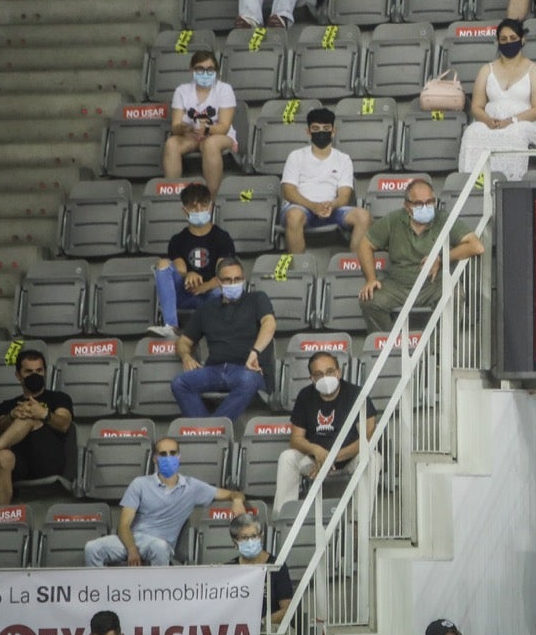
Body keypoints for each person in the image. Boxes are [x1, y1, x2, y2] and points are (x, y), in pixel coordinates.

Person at [84, 437, 246, 566]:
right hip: (132, 540)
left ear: (179, 457)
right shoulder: (139, 484)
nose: (168, 457)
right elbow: (124, 525)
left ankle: (157, 596)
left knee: (159, 547)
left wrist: (237, 501)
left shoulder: (192, 487)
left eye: (172, 453)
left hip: (161, 544)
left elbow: (233, 493)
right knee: (92, 548)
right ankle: (101, 596)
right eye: (163, 454)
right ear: (155, 458)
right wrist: (132, 549)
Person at [357, 179, 485, 332]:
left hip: (433, 284)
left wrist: (442, 258)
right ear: (407, 206)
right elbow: (365, 244)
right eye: (418, 204)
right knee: (370, 300)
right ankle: (388, 347)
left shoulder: (442, 219)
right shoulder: (393, 220)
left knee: (455, 295)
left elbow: (477, 246)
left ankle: (440, 351)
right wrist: (371, 278)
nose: (425, 207)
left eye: (430, 202)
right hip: (398, 285)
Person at [171, 257, 274, 422]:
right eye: (228, 280)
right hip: (214, 370)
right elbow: (183, 341)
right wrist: (186, 356)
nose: (233, 283)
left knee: (248, 380)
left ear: (244, 279)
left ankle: (214, 430)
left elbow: (269, 323)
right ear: (218, 282)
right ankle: (206, 430)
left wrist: (255, 352)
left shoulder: (257, 299)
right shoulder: (206, 309)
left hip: (247, 370)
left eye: (237, 279)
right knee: (180, 383)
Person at [276, 351, 377, 506]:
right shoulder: (305, 396)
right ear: (312, 378)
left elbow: (368, 436)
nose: (325, 378)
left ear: (338, 372)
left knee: (373, 458)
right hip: (316, 461)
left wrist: (333, 457)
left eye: (330, 372)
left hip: (348, 460)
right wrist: (315, 450)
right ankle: (284, 520)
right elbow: (295, 440)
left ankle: (358, 522)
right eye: (318, 374)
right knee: (287, 457)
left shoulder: (356, 394)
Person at [0, 348, 73, 502]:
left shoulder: (59, 398)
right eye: (29, 371)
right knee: (2, 457)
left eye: (39, 370)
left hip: (48, 461)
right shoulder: (6, 406)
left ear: (45, 372)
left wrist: (43, 414)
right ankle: (3, 520)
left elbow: (64, 424)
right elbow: (1, 427)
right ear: (18, 376)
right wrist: (12, 415)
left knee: (30, 415)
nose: (35, 375)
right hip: (20, 465)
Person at [457, 17, 536, 182]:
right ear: (498, 42)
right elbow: (477, 106)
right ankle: (471, 185)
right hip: (491, 122)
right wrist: (488, 120)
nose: (508, 43)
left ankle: (510, 183)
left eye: (513, 38)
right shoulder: (486, 69)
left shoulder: (534, 70)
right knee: (472, 132)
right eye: (503, 39)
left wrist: (511, 121)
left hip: (523, 122)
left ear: (522, 40)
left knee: (515, 134)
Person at [281, 108, 372, 255]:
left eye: (326, 128)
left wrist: (331, 205)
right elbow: (288, 191)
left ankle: (353, 267)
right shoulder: (296, 156)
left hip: (332, 209)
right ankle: (296, 270)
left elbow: (344, 196)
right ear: (308, 132)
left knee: (364, 216)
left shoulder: (343, 159)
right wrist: (313, 206)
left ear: (333, 131)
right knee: (294, 216)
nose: (321, 132)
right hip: (301, 207)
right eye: (316, 129)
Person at [150, 182, 236, 339]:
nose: (199, 210)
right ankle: (171, 326)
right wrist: (188, 275)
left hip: (211, 295)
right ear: (185, 210)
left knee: (224, 287)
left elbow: (226, 273)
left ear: (210, 207)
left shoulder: (222, 237)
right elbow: (179, 268)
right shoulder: (178, 240)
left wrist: (205, 286)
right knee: (162, 264)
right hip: (186, 294)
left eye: (203, 206)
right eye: (193, 207)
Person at [162, 50, 239, 191]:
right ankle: (172, 195)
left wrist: (208, 129)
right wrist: (184, 128)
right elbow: (175, 127)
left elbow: (224, 127)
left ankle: (210, 200)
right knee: (171, 143)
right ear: (192, 69)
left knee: (210, 143)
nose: (205, 73)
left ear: (216, 71)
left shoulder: (224, 89)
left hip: (220, 136)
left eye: (209, 69)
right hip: (192, 135)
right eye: (200, 69)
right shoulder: (182, 91)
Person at [228, 512, 294, 625]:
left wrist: (261, 623)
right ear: (235, 542)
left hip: (270, 629)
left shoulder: (277, 566)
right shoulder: (228, 569)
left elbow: (287, 609)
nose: (250, 541)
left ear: (261, 536)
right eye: (244, 537)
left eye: (254, 536)